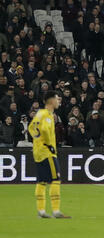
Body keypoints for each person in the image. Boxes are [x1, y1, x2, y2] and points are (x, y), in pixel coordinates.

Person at [29, 90, 69, 218]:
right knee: (55, 180)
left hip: (38, 152)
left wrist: (38, 140)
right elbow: (45, 129)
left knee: (41, 181)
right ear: (51, 101)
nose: (59, 101)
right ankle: (56, 211)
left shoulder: (39, 113)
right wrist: (48, 144)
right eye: (57, 99)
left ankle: (41, 211)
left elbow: (31, 128)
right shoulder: (47, 115)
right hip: (47, 152)